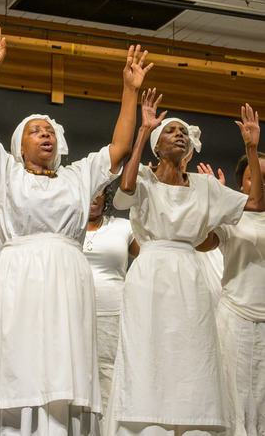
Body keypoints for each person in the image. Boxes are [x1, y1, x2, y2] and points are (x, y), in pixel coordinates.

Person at [0, 22, 151, 435]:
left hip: (67, 278)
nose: (45, 133)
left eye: (49, 130)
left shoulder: (78, 175)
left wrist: (130, 91)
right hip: (20, 276)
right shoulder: (5, 173)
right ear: (19, 145)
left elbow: (119, 149)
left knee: (62, 368)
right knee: (16, 364)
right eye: (35, 130)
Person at [108, 96, 264, 436]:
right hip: (151, 270)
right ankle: (145, 421)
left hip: (189, 274)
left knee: (192, 352)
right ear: (157, 147)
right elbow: (125, 188)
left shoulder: (206, 186)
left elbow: (254, 202)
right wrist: (142, 131)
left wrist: (252, 148)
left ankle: (192, 424)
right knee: (148, 347)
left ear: (191, 146)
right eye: (169, 131)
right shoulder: (145, 179)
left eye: (183, 132)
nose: (179, 135)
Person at [199, 150, 265, 436]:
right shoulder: (232, 218)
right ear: (242, 184)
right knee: (235, 400)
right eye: (254, 176)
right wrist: (212, 204)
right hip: (236, 316)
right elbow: (203, 243)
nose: (261, 182)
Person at [81, 182, 138, 429]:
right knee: (77, 378)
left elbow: (150, 259)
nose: (94, 198)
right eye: (89, 192)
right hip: (72, 314)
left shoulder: (123, 227)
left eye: (100, 192)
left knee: (109, 377)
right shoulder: (65, 226)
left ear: (106, 196)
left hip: (112, 315)